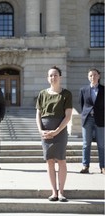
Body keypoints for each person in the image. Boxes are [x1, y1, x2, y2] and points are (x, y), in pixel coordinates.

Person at [35, 66, 72, 202]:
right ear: (47, 78)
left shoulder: (66, 94)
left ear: (60, 77)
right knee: (49, 161)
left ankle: (61, 192)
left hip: (60, 130)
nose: (53, 77)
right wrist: (40, 130)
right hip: (45, 131)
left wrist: (56, 131)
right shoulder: (42, 94)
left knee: (61, 160)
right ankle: (54, 192)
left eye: (55, 75)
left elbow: (68, 116)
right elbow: (38, 114)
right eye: (50, 75)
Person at [79, 68, 104, 174]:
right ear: (88, 77)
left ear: (99, 76)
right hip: (87, 119)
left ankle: (103, 166)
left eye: (94, 75)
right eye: (90, 75)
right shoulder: (83, 90)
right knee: (86, 144)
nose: (92, 77)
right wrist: (86, 114)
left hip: (101, 119)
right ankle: (85, 166)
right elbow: (82, 105)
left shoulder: (103, 89)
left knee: (102, 144)